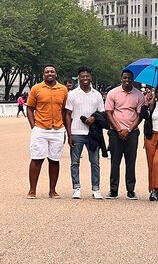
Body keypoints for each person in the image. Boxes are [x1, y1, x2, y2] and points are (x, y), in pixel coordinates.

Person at [26, 65, 68, 199]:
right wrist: (34, 127)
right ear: (43, 74)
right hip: (40, 129)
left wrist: (66, 131)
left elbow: (65, 110)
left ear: (56, 74)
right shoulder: (36, 89)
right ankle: (32, 190)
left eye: (52, 71)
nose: (50, 73)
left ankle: (52, 190)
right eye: (47, 72)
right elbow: (29, 109)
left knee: (54, 160)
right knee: (36, 159)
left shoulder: (63, 89)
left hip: (57, 129)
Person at [65, 66, 105, 200]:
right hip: (77, 132)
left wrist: (94, 118)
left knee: (95, 162)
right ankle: (76, 188)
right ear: (79, 78)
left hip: (93, 133)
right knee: (75, 162)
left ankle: (96, 189)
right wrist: (69, 133)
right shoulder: (72, 94)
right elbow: (68, 114)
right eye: (82, 76)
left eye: (87, 76)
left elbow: (102, 113)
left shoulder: (97, 94)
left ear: (90, 77)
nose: (85, 78)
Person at [105, 70, 145, 200]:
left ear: (132, 79)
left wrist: (128, 129)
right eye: (125, 78)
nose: (127, 80)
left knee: (131, 161)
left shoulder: (139, 95)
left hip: (132, 132)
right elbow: (109, 113)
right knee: (115, 161)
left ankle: (130, 190)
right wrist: (118, 129)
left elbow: (140, 116)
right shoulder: (113, 93)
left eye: (129, 78)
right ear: (121, 78)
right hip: (115, 132)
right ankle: (113, 189)